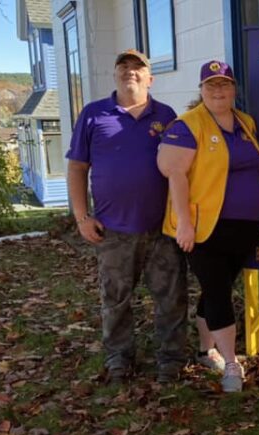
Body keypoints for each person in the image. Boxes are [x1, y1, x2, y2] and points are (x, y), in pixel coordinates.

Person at [66, 49, 188, 385]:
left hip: (163, 227)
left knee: (171, 298)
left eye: (138, 67)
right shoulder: (93, 115)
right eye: (123, 66)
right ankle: (119, 358)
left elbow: (182, 166)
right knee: (116, 299)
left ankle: (171, 359)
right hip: (113, 229)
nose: (130, 71)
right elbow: (77, 167)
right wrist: (81, 217)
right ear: (115, 74)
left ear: (151, 78)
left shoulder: (167, 115)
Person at [157, 60, 259, 393]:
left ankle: (206, 349)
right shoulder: (187, 125)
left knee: (216, 287)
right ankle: (231, 364)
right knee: (218, 290)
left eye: (224, 85)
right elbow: (174, 174)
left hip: (244, 226)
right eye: (211, 85)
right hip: (204, 229)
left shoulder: (245, 123)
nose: (218, 91)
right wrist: (185, 225)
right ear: (202, 90)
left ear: (234, 89)